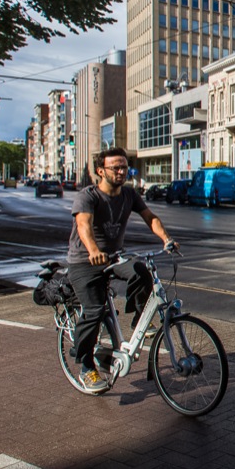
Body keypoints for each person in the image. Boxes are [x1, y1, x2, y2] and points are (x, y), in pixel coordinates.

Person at [66, 147, 178, 393]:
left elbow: (150, 217)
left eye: (124, 167)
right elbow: (83, 224)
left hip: (113, 258)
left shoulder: (129, 194)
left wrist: (166, 239)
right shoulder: (88, 196)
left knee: (141, 270)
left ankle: (140, 320)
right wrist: (94, 250)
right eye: (115, 167)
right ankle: (86, 366)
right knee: (94, 311)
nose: (120, 171)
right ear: (100, 171)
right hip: (84, 261)